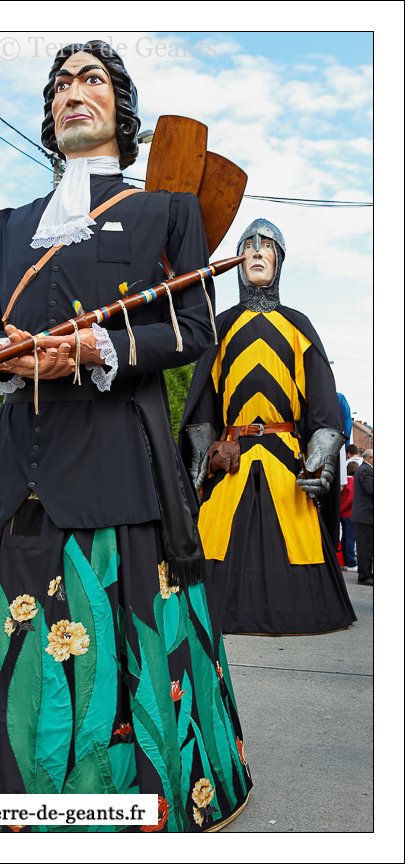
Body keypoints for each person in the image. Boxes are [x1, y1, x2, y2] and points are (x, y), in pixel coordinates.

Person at [0, 41, 252, 833]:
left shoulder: (166, 212)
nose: (72, 92)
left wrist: (95, 347)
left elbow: (192, 326)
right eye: (60, 83)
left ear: (120, 109)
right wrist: (6, 354)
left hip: (118, 461)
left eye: (91, 79)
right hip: (16, 466)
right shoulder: (10, 225)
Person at [180, 218, 357, 635]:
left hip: (286, 458)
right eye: (249, 245)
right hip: (232, 456)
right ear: (238, 260)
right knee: (215, 531)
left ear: (280, 260)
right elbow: (203, 398)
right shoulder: (220, 327)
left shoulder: (298, 326)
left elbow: (322, 401)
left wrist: (322, 455)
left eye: (267, 246)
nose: (258, 251)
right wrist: (200, 457)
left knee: (296, 532)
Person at [352, 449, 373, 585]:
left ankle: (366, 574)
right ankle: (364, 576)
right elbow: (371, 489)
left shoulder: (364, 469)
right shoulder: (366, 470)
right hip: (364, 516)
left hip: (365, 516)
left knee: (367, 548)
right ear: (370, 458)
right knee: (365, 548)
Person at [340, 460, 358, 571]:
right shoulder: (352, 481)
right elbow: (351, 498)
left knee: (345, 538)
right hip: (349, 513)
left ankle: (345, 561)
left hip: (343, 514)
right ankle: (350, 562)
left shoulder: (344, 481)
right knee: (350, 538)